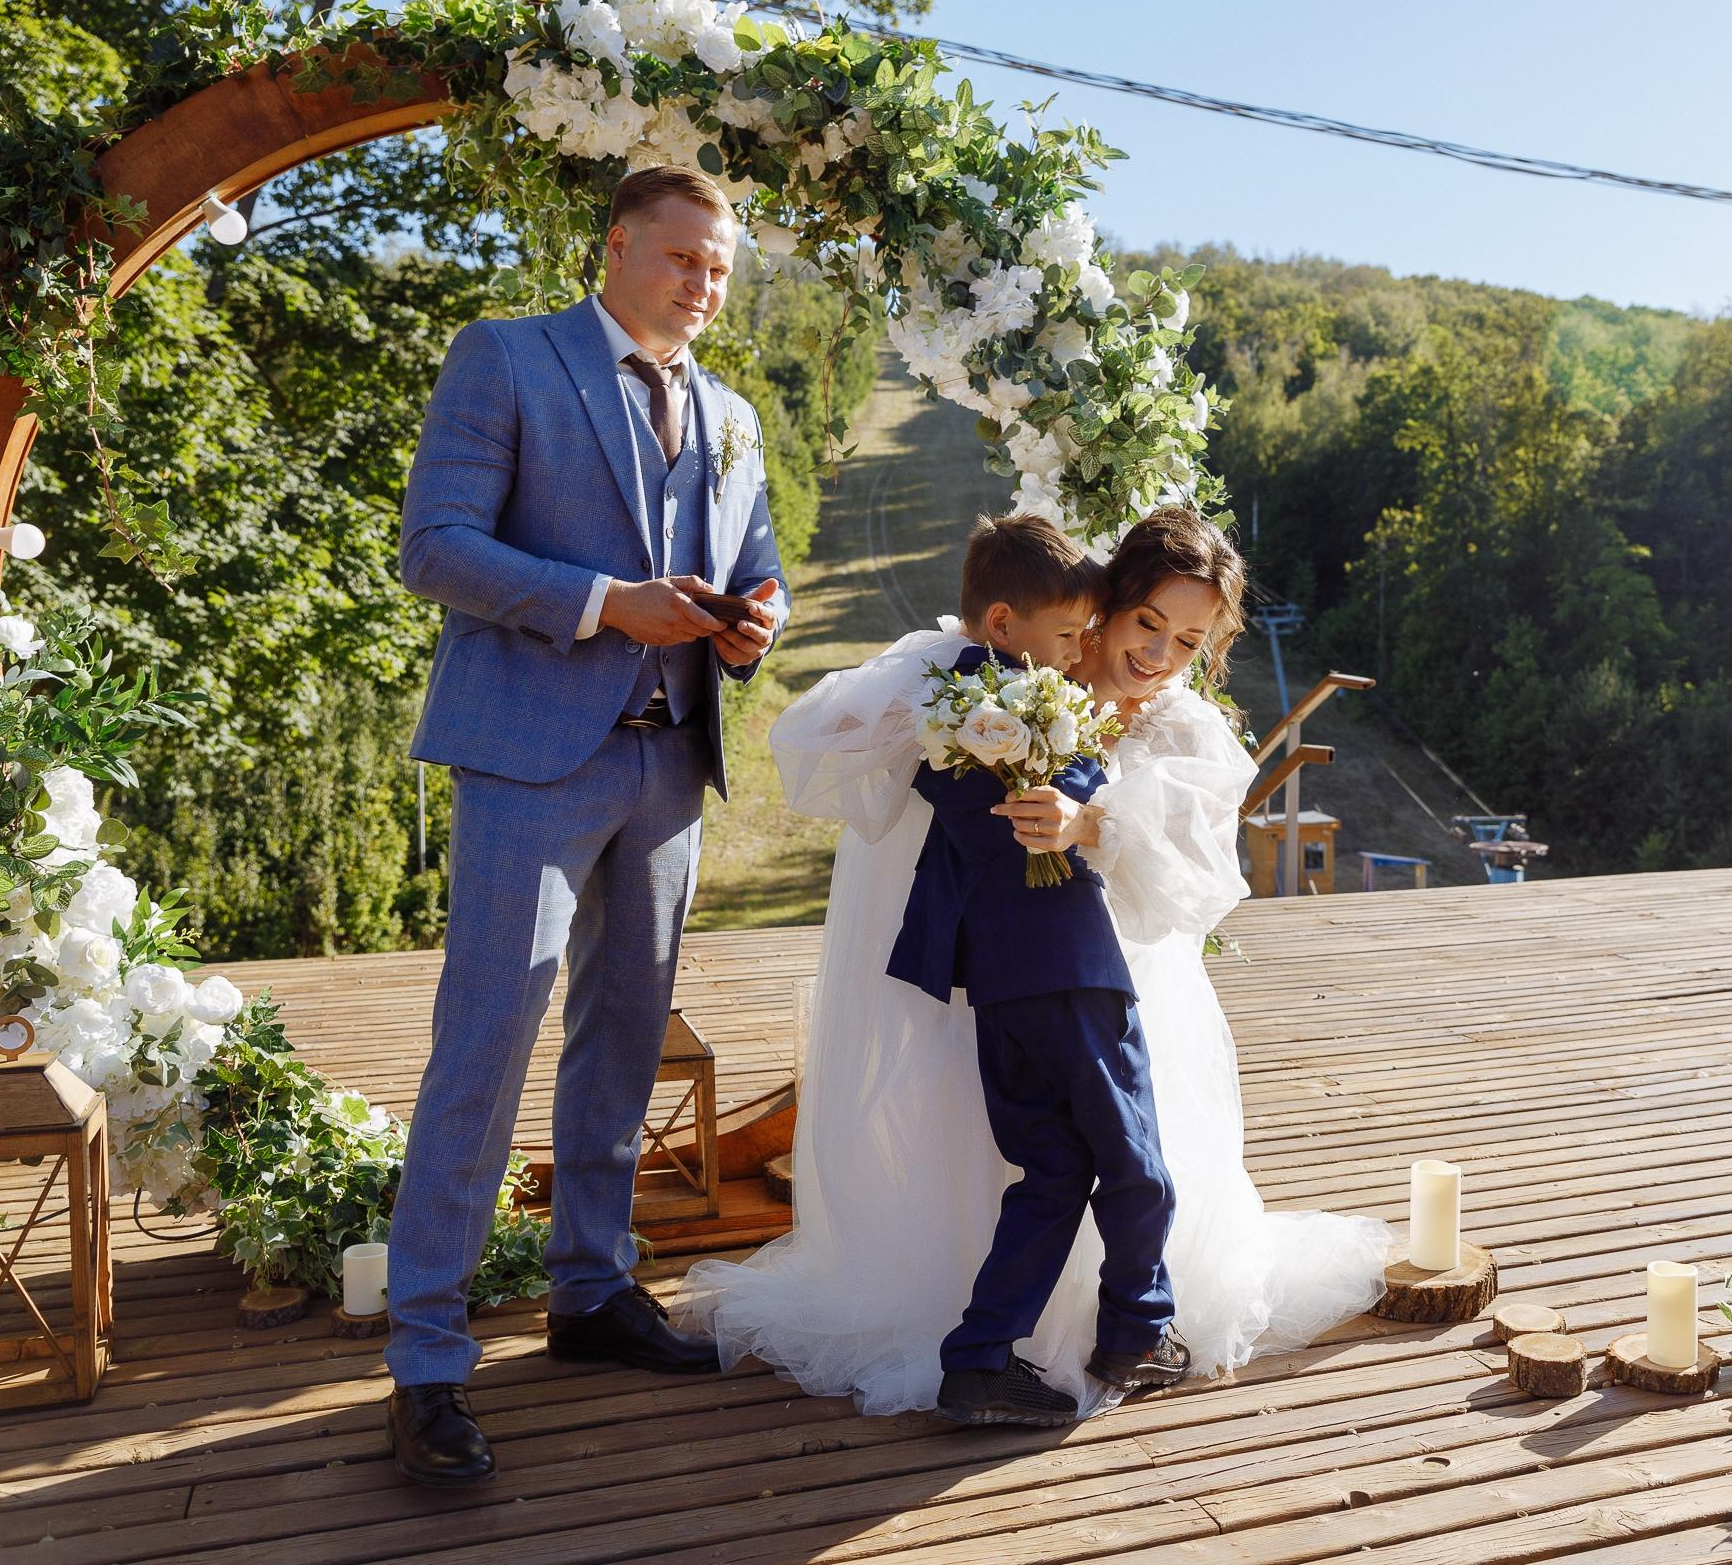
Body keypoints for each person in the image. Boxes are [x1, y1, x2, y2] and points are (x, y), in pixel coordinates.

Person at [682, 506, 1389, 1421]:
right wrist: (927, 712)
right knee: (1079, 1164)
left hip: (1106, 979)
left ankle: (1078, 1331)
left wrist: (1096, 823)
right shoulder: (1007, 676)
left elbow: (1202, 880)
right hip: (1002, 981)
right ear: (1105, 605)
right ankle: (1051, 1334)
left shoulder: (1183, 732)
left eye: (1188, 641)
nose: (1160, 656)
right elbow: (834, 742)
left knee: (1106, 1164)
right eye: (1146, 624)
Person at [383, 164, 788, 1487]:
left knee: (622, 1040)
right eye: (682, 259)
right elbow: (434, 547)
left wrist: (757, 616)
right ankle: (428, 1362)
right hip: (528, 764)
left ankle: (592, 1295)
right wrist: (611, 599)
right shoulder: (505, 359)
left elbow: (756, 555)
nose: (702, 285)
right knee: (486, 1048)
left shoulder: (731, 414)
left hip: (670, 768)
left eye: (719, 269)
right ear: (614, 248)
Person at [888, 515, 1187, 1427]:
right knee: (1137, 1165)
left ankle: (978, 1360)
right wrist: (1087, 777)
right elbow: (1079, 803)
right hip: (1069, 969)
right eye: (1068, 636)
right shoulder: (1019, 713)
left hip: (997, 978)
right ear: (1005, 625)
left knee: (1053, 1170)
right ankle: (1138, 1331)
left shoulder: (950, 710)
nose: (1079, 652)